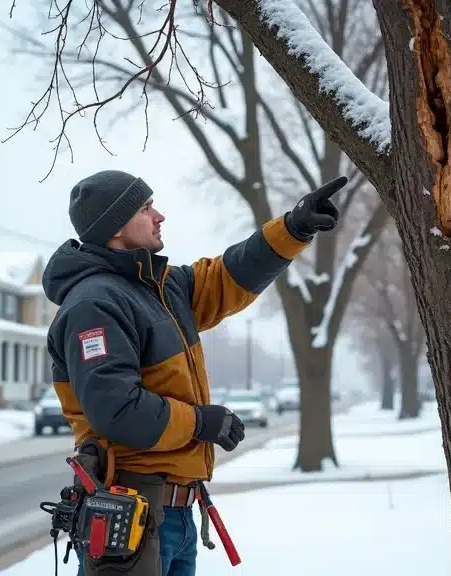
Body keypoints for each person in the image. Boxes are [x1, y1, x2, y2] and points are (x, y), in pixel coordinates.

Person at [42, 169, 346, 576]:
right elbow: (116, 410)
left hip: (175, 516)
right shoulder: (94, 305)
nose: (159, 216)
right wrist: (202, 422)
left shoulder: (159, 289)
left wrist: (292, 228)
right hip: (131, 514)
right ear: (115, 226)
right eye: (146, 208)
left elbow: (227, 276)